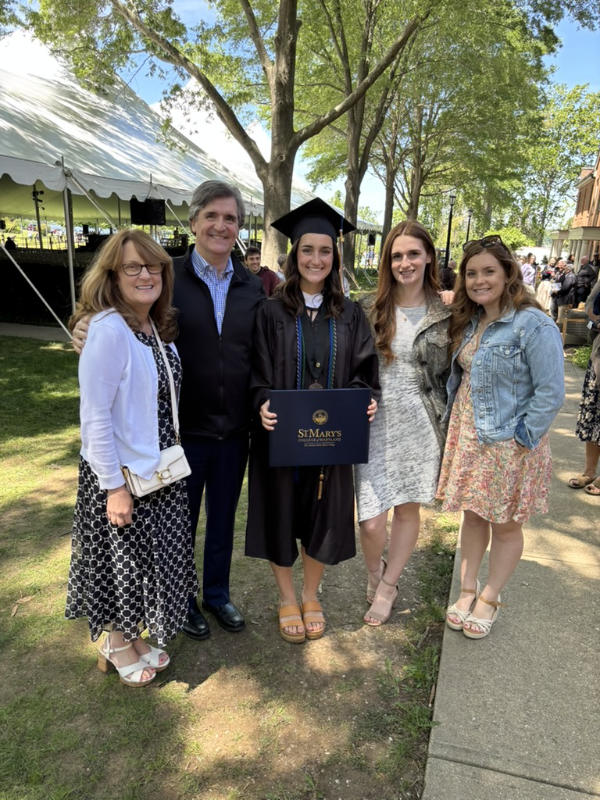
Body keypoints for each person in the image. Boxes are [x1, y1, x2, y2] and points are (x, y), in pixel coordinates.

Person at [72, 180, 265, 641]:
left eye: (231, 218)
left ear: (239, 228)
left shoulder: (252, 287)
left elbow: (260, 355)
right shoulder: (165, 275)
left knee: (222, 520)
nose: (221, 225)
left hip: (234, 429)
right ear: (194, 221)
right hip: (179, 434)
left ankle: (216, 594)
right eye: (212, 216)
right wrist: (81, 326)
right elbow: (113, 315)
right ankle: (181, 604)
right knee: (177, 529)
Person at [65, 229, 198, 686]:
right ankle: (116, 642)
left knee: (144, 560)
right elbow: (95, 416)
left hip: (156, 469)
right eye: (132, 267)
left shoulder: (152, 325)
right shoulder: (107, 329)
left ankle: (136, 637)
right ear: (113, 276)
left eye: (153, 265)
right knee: (121, 560)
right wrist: (114, 487)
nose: (145, 274)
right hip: (121, 473)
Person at [245, 198, 380, 643]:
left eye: (325, 251)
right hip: (281, 440)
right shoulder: (269, 313)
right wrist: (262, 402)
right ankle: (286, 596)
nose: (316, 259)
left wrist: (366, 401)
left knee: (324, 514)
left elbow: (365, 373)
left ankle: (310, 592)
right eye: (307, 250)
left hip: (332, 442)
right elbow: (257, 375)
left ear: (335, 256)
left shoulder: (351, 314)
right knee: (280, 513)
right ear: (293, 255)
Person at [437, 235, 564, 639]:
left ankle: (490, 597)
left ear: (508, 272)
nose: (479, 281)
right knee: (473, 515)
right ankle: (467, 588)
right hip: (471, 435)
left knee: (505, 524)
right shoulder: (472, 318)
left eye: (488, 271)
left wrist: (523, 439)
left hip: (510, 441)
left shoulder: (533, 324)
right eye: (471, 274)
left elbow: (551, 392)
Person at [355, 220, 452, 626]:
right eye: (397, 255)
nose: (405, 262)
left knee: (407, 508)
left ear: (428, 255)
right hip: (375, 420)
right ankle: (375, 571)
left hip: (420, 419)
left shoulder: (448, 309)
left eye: (413, 253)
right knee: (372, 518)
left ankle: (390, 585)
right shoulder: (368, 306)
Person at [567, 277, 600, 494]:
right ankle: (589, 471)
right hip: (599, 359)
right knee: (592, 415)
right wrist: (595, 321)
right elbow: (588, 309)